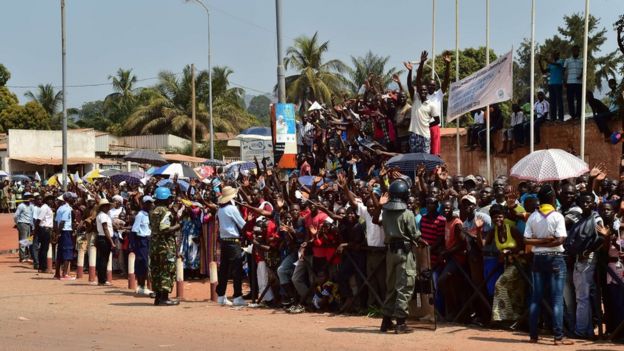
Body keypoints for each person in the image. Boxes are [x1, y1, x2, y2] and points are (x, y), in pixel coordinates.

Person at [524, 185, 573, 345]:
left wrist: (538, 242)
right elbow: (560, 240)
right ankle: (558, 337)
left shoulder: (532, 217)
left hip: (538, 258)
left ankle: (533, 336)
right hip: (555, 258)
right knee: (557, 299)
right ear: (552, 198)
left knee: (536, 298)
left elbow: (527, 240)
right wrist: (547, 240)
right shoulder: (557, 216)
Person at [379, 179, 421, 334]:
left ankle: (386, 321)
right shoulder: (407, 213)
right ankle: (401, 323)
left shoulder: (385, 212)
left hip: (390, 253)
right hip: (404, 253)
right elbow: (414, 234)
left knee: (391, 287)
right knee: (404, 286)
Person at [215, 186, 246, 307]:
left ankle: (221, 295)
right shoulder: (232, 209)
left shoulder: (220, 210)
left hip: (224, 241)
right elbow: (242, 224)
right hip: (233, 241)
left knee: (224, 269)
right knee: (236, 269)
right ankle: (237, 296)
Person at [149, 187, 181, 306]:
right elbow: (165, 229)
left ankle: (158, 297)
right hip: (165, 246)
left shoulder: (153, 211)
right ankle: (164, 298)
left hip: (154, 245)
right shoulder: (165, 212)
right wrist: (178, 226)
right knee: (166, 271)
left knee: (156, 270)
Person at [404, 51, 439, 154]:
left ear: (427, 91)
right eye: (421, 90)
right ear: (418, 91)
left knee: (425, 161)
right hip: (414, 134)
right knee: (414, 159)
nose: (423, 91)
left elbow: (437, 120)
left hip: (425, 136)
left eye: (425, 90)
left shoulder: (431, 105)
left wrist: (427, 124)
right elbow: (414, 82)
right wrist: (415, 68)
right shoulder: (415, 99)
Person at [424, 51, 452, 156]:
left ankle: (434, 170)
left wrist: (448, 64)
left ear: (435, 87)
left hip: (435, 127)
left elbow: (446, 80)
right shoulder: (423, 96)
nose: (431, 87)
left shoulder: (438, 95)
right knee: (425, 152)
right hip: (424, 127)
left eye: (433, 85)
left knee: (435, 152)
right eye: (429, 85)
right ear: (426, 86)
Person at [131, 195, 155, 296]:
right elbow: (134, 230)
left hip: (149, 240)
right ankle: (141, 286)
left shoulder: (150, 214)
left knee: (148, 264)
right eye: (148, 203)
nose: (150, 204)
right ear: (143, 204)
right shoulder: (140, 215)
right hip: (142, 240)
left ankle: (143, 286)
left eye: (151, 202)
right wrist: (135, 246)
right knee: (143, 264)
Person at [54, 192, 76, 280]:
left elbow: (55, 221)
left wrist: (56, 233)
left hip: (61, 232)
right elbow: (62, 222)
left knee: (60, 253)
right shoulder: (67, 209)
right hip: (66, 231)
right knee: (67, 252)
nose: (73, 199)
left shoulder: (59, 208)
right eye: (71, 198)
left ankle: (57, 274)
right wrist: (58, 233)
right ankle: (65, 274)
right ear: (68, 199)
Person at [539, 52, 565, 122]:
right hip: (551, 84)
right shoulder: (551, 65)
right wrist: (539, 62)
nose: (554, 55)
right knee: (552, 102)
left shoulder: (561, 61)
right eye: (553, 54)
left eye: (556, 54)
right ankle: (553, 118)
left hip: (558, 84)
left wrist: (548, 61)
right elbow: (543, 71)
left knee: (559, 101)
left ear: (558, 55)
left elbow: (557, 65)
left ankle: (561, 118)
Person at [95, 199, 114, 286]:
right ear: (103, 207)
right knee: (103, 260)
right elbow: (105, 228)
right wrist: (111, 242)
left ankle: (102, 279)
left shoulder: (104, 215)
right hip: (104, 238)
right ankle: (102, 279)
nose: (108, 207)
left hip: (103, 238)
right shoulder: (102, 216)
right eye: (106, 206)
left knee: (103, 259)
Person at [36, 194, 54, 273]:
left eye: (52, 199)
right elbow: (39, 219)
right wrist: (36, 230)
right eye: (49, 199)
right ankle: (43, 267)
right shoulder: (44, 208)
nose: (51, 201)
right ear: (46, 200)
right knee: (44, 249)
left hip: (46, 229)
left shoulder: (48, 208)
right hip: (44, 229)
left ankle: (42, 267)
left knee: (43, 248)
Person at [564, 45, 583, 119]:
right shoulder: (567, 60)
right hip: (570, 82)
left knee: (579, 99)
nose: (576, 52)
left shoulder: (581, 60)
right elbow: (564, 71)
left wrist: (581, 76)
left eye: (578, 50)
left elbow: (583, 70)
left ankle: (578, 115)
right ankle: (572, 115)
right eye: (575, 50)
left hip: (579, 83)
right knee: (570, 99)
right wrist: (564, 81)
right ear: (572, 51)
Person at [14, 192, 33, 263]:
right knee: (23, 240)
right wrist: (17, 223)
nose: (29, 198)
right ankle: (22, 257)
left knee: (28, 240)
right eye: (28, 197)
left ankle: (26, 255)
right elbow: (15, 215)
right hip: (23, 223)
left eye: (30, 197)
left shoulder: (31, 205)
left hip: (29, 224)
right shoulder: (21, 206)